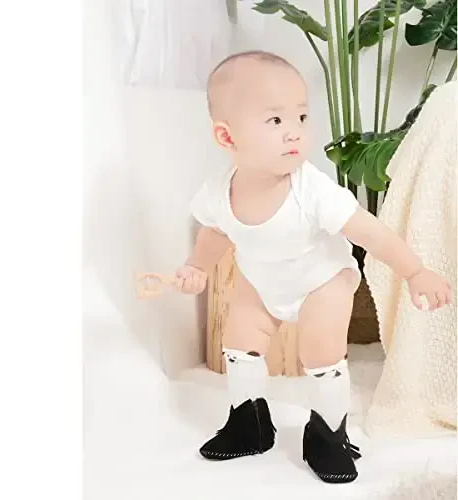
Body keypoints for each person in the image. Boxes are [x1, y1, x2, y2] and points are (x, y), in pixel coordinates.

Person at [172, 51, 453, 484]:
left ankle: (327, 435)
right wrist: (197, 265)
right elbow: (216, 230)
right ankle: (249, 422)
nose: (295, 132)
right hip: (262, 280)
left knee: (320, 354)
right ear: (227, 137)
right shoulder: (220, 190)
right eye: (275, 120)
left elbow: (370, 232)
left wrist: (415, 271)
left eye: (301, 117)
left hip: (322, 281)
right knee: (239, 344)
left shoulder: (313, 191)